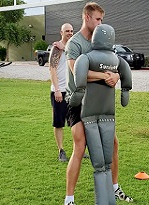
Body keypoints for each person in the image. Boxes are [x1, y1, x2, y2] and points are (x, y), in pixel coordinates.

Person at [64, 2, 133, 205]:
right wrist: (106, 76)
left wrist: (116, 76)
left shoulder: (103, 42)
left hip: (100, 103)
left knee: (113, 144)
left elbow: (114, 65)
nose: (101, 23)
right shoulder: (74, 43)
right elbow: (77, 71)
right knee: (80, 146)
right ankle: (69, 199)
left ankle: (114, 188)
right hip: (77, 100)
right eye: (98, 19)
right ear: (87, 17)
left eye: (102, 19)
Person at [49, 23, 74, 162]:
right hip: (59, 92)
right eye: (67, 31)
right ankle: (61, 150)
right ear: (61, 32)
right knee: (59, 123)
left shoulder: (71, 48)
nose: (69, 33)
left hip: (72, 92)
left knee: (75, 122)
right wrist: (57, 90)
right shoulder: (56, 49)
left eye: (71, 31)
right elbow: (52, 70)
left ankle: (79, 150)